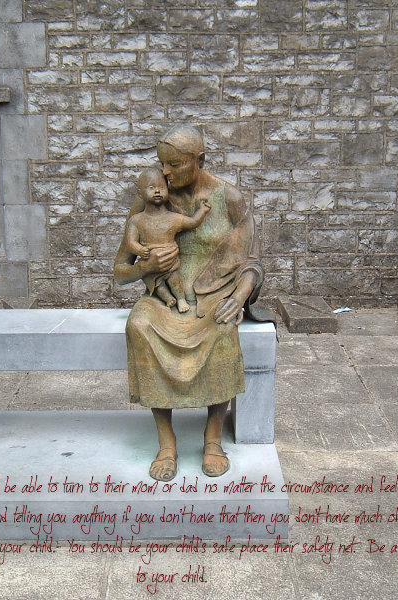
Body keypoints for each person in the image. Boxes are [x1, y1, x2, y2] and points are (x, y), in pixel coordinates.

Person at [114, 124, 266, 481]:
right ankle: (166, 443)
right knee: (139, 325)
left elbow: (253, 263)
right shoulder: (151, 199)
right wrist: (146, 268)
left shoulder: (229, 198)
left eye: (174, 164)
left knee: (223, 329)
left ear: (200, 160)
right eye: (161, 164)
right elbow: (120, 271)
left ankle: (213, 438)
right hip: (165, 297)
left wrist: (239, 298)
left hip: (215, 296)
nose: (165, 173)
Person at [124, 167, 212, 313]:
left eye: (162, 187)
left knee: (175, 282)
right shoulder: (136, 220)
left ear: (168, 190)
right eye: (151, 188)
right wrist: (139, 249)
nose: (157, 191)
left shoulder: (173, 218)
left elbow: (192, 222)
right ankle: (167, 299)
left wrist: (202, 211)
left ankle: (181, 299)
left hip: (170, 263)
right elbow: (130, 242)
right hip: (148, 263)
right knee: (157, 285)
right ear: (140, 193)